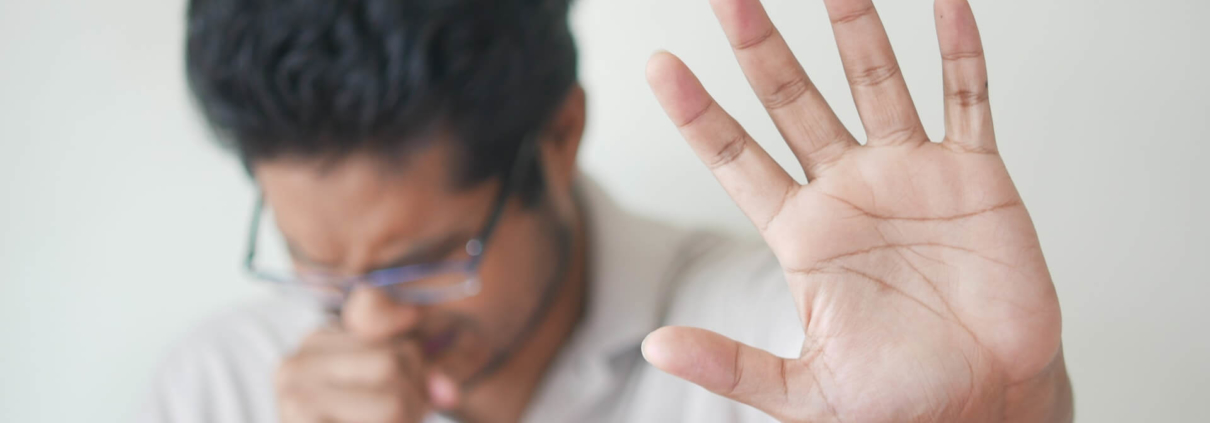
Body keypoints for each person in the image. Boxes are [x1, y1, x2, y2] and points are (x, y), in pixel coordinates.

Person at [141, 0, 1073, 421]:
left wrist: (1004, 416)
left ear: (559, 134)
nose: (369, 315)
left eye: (423, 259)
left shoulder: (792, 347)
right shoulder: (216, 387)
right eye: (319, 267)